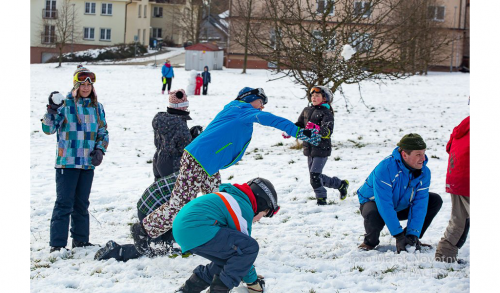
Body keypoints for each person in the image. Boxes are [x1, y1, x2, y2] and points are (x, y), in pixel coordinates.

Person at [132, 87, 321, 254]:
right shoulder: (241, 109)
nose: (262, 106)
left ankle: (214, 237)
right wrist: (299, 131)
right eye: (261, 102)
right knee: (180, 205)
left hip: (208, 163)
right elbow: (268, 118)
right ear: (249, 98)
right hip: (198, 159)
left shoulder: (236, 110)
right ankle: (143, 231)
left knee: (217, 200)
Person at [42, 65, 109, 253]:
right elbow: (48, 129)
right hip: (67, 162)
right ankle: (57, 244)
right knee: (64, 203)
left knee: (81, 204)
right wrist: (51, 110)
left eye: (89, 84)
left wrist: (100, 150)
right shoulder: (65, 105)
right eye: (82, 84)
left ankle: (80, 240)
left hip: (87, 164)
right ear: (76, 85)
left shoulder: (97, 107)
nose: (86, 87)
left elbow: (103, 132)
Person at [173, 177, 279, 293]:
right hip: (197, 229)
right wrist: (252, 282)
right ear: (261, 203)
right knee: (250, 247)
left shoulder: (233, 198)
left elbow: (236, 256)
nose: (259, 219)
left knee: (228, 260)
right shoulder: (242, 207)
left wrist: (243, 271)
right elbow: (244, 252)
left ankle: (187, 290)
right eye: (263, 215)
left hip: (183, 228)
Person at [356, 134, 443, 252]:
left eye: (423, 153)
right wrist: (398, 235)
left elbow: (420, 204)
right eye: (418, 154)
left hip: (401, 204)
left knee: (434, 200)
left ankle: (411, 238)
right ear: (404, 155)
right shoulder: (385, 168)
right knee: (373, 212)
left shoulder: (424, 172)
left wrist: (412, 233)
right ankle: (370, 242)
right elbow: (384, 204)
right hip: (375, 203)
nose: (423, 158)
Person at [287, 85, 349, 205]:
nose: (314, 98)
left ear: (324, 98)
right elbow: (299, 124)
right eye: (312, 96)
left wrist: (316, 128)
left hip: (321, 149)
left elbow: (328, 132)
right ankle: (340, 184)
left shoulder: (327, 113)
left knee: (314, 177)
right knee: (316, 176)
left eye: (317, 96)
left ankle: (321, 200)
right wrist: (289, 130)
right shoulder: (306, 110)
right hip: (308, 148)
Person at [435, 116, 470, 263]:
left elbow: (449, 147)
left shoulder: (465, 124)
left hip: (457, 177)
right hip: (468, 177)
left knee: (459, 218)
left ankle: (444, 255)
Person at [152, 89, 192, 180]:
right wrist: (194, 138)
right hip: (173, 164)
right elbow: (185, 148)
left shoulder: (159, 118)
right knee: (175, 192)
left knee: (161, 190)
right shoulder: (179, 123)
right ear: (181, 106)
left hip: (158, 159)